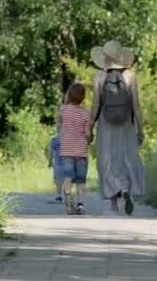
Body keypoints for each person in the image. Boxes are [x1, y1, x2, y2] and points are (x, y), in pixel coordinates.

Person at [89, 40, 146, 215]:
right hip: (126, 123)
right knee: (126, 157)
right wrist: (140, 128)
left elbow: (95, 104)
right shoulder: (130, 76)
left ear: (105, 58)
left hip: (106, 123)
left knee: (107, 160)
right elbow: (136, 105)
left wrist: (90, 126)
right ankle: (126, 189)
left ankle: (113, 201)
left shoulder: (99, 77)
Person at [58, 82, 92, 215]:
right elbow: (88, 135)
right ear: (83, 97)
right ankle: (80, 205)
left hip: (67, 150)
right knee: (81, 180)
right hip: (81, 152)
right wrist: (88, 140)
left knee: (68, 176)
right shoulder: (85, 114)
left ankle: (67, 197)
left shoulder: (63, 110)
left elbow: (60, 122)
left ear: (69, 95)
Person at [47, 134, 64, 203]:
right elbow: (51, 151)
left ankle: (59, 195)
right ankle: (63, 194)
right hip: (66, 162)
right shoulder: (69, 138)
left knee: (58, 180)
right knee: (65, 179)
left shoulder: (54, 139)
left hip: (59, 162)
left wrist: (50, 161)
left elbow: (51, 151)